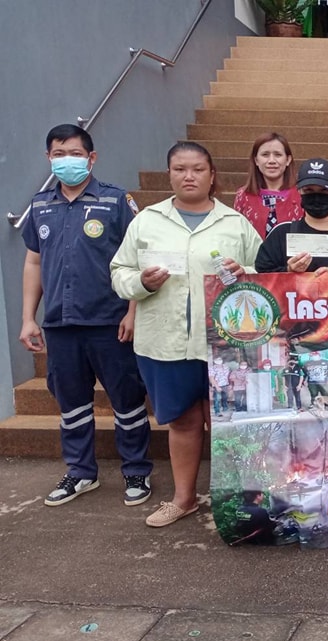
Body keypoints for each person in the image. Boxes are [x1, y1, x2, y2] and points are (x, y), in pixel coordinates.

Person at [111, 141, 261, 527]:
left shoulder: (235, 223)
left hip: (225, 345)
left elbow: (265, 273)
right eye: (180, 169)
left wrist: (245, 271)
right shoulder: (146, 221)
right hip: (165, 341)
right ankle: (184, 498)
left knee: (226, 421)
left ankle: (237, 498)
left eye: (197, 169)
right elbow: (119, 274)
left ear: (212, 176)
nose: (189, 176)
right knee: (182, 420)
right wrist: (142, 281)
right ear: (170, 174)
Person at [20, 124, 152, 508]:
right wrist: (29, 317)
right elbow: (33, 261)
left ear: (91, 158)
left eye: (74, 154)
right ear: (48, 158)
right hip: (61, 324)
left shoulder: (115, 202)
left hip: (110, 322)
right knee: (71, 402)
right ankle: (80, 472)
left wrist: (133, 311)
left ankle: (137, 471)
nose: (66, 161)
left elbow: (138, 260)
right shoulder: (41, 205)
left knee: (127, 399)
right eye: (58, 155)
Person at [255, 158, 328, 274]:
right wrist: (288, 271)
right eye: (309, 190)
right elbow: (262, 275)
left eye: (324, 191)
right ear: (299, 191)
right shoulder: (281, 233)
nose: (316, 196)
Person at [233, 132, 303, 239]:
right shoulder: (243, 196)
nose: (271, 161)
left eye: (278, 155)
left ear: (288, 160)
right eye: (265, 155)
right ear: (256, 160)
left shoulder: (302, 194)